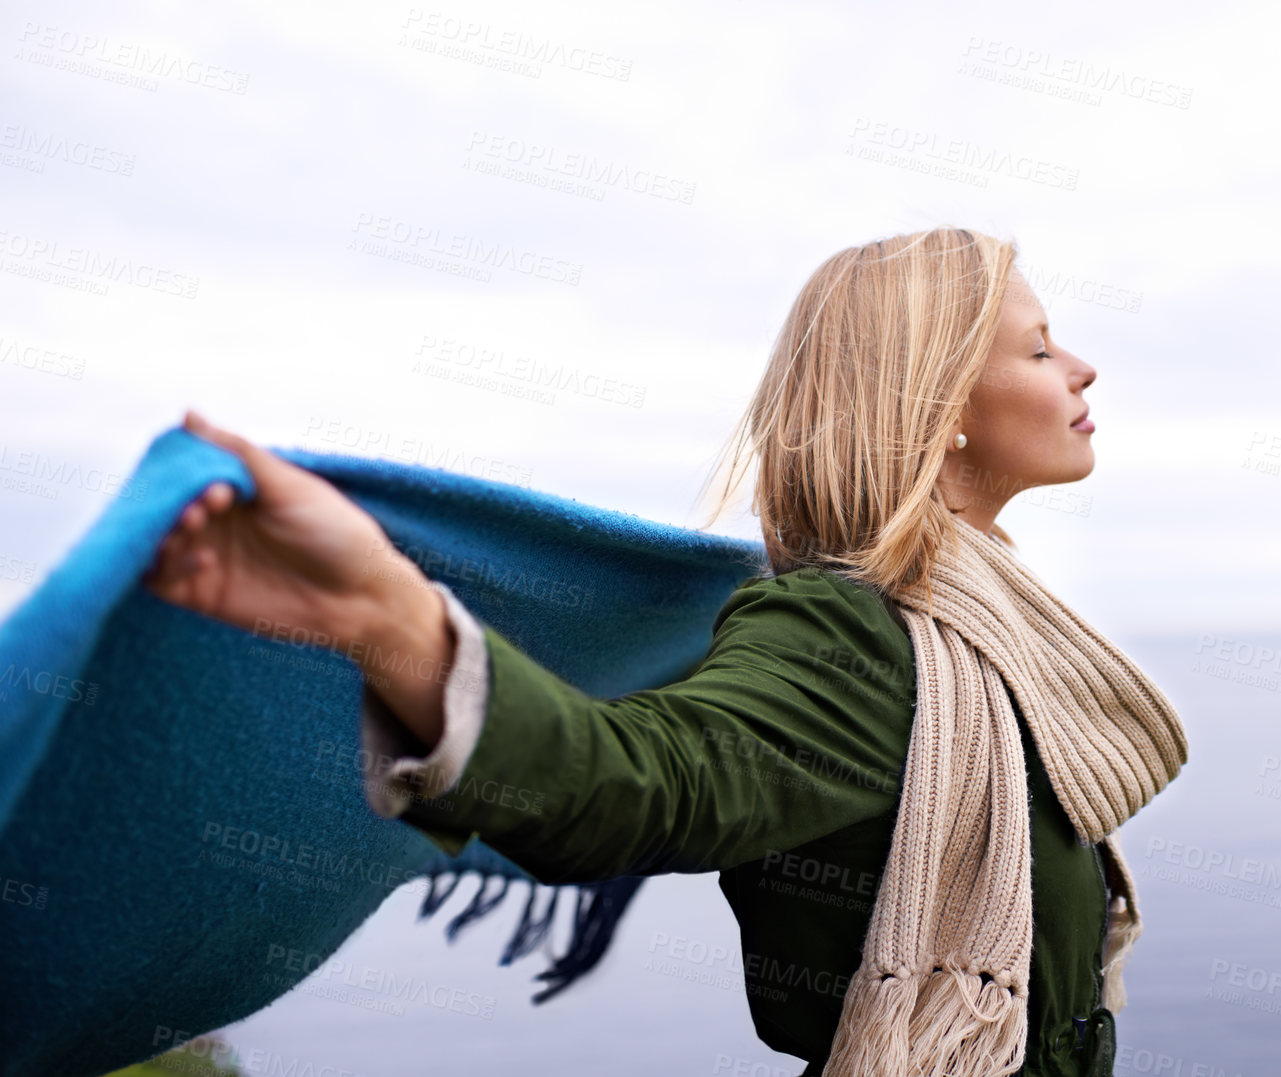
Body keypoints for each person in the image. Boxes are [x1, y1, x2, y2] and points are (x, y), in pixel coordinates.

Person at [141, 227, 1188, 1077]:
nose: (1083, 366)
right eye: (1043, 348)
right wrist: (381, 612)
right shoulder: (853, 633)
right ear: (944, 404)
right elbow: (636, 786)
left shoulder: (979, 621)